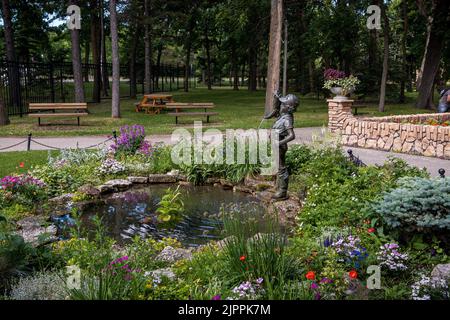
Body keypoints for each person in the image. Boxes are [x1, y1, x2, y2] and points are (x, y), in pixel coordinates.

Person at [264, 92, 299, 200]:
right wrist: (276, 97)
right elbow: (275, 108)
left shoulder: (287, 119)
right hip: (277, 145)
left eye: (283, 105)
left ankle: (282, 192)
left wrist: (278, 143)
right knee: (279, 167)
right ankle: (279, 187)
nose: (281, 106)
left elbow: (292, 135)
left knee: (281, 168)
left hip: (279, 146)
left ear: (288, 108)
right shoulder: (283, 115)